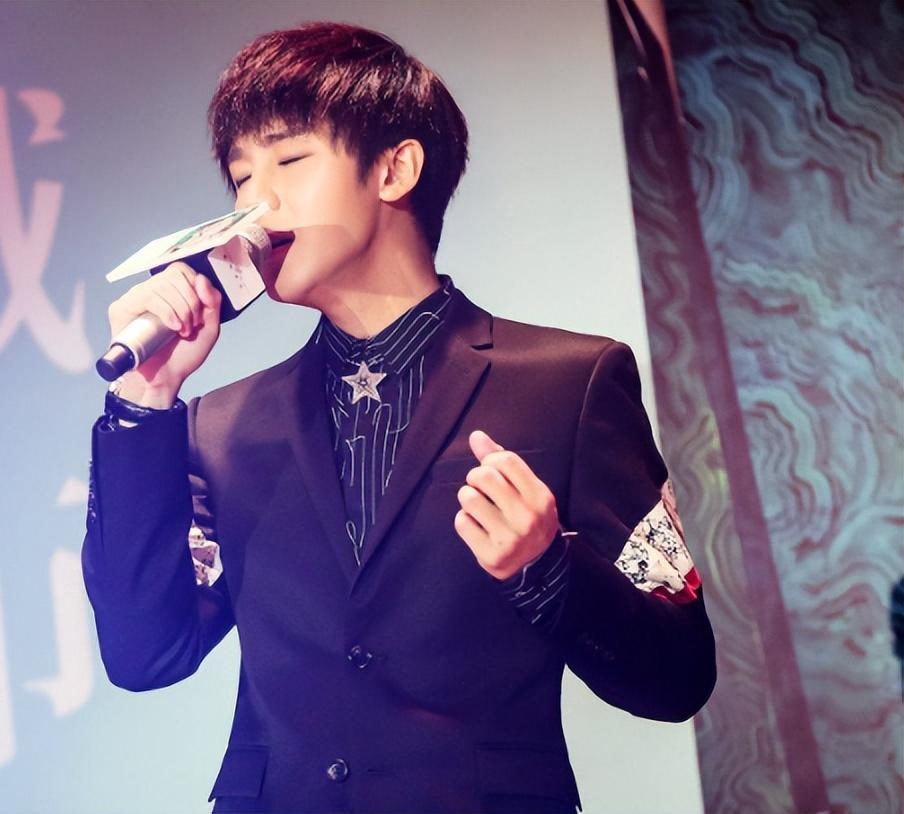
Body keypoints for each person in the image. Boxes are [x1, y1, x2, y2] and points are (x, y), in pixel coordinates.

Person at [82, 21, 716, 814]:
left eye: (287, 161)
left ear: (395, 169)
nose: (255, 205)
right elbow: (145, 654)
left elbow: (677, 675)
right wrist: (144, 404)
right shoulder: (222, 426)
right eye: (240, 178)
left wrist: (547, 567)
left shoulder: (570, 384)